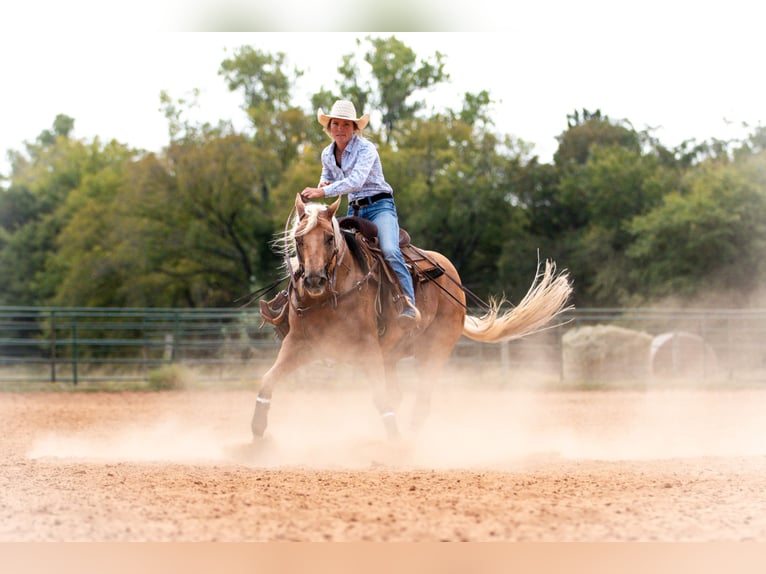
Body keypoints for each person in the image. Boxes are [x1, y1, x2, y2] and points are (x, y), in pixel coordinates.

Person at [301, 99, 420, 329]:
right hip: (354, 209)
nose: (340, 129)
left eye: (346, 125)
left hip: (380, 207)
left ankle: (408, 304)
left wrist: (321, 190)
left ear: (355, 128)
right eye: (336, 124)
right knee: (329, 248)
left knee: (390, 250)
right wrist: (323, 184)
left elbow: (355, 181)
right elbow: (327, 176)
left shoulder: (367, 149)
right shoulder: (327, 153)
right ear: (329, 127)